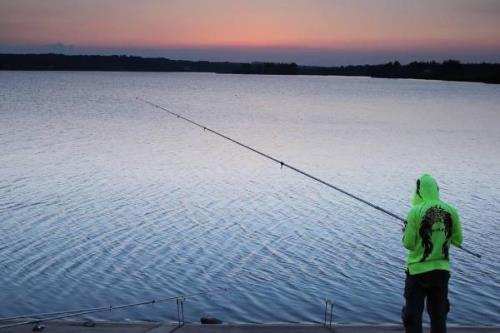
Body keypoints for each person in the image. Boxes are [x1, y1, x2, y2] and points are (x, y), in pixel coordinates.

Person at [402, 174, 463, 333]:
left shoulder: (415, 212)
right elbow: (458, 241)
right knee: (438, 318)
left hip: (418, 273)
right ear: (436, 190)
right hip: (441, 273)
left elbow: (408, 244)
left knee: (413, 319)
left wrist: (406, 229)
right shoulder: (451, 210)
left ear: (419, 191)